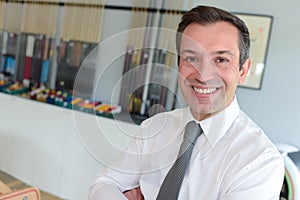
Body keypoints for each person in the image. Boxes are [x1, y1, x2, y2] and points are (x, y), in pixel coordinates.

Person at [88, 5, 284, 200]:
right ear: (179, 64)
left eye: (221, 60)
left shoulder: (259, 161)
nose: (204, 76)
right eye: (192, 58)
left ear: (243, 70)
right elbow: (104, 184)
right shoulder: (154, 127)